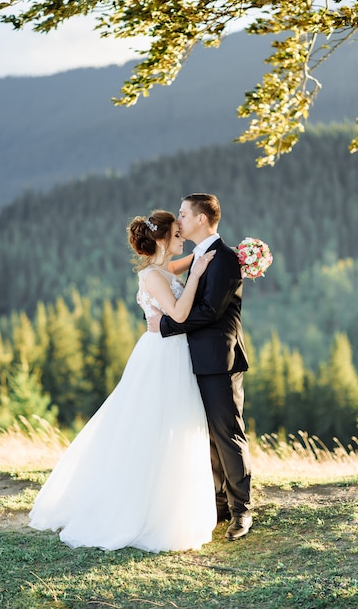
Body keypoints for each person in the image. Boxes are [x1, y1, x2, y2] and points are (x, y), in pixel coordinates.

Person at [28, 210, 217, 553]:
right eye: (177, 234)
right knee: (152, 426)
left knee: (172, 425)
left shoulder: (162, 268)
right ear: (162, 240)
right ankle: (140, 510)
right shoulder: (153, 277)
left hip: (171, 353)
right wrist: (197, 275)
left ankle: (167, 501)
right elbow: (177, 314)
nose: (182, 239)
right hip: (161, 356)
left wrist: (208, 252)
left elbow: (188, 260)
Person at [149, 193, 252, 541]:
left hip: (218, 361)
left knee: (227, 434)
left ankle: (242, 511)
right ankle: (220, 504)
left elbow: (209, 311)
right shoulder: (199, 257)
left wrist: (165, 326)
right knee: (207, 437)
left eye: (183, 214)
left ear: (202, 219)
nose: (178, 220)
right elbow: (159, 272)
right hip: (194, 360)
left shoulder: (223, 259)